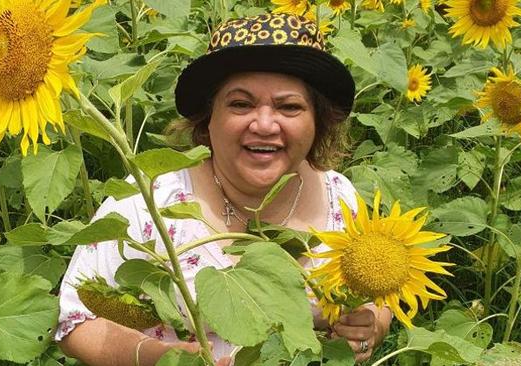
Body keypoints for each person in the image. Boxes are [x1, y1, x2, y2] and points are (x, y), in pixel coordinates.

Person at [56, 12, 392, 366]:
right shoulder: (151, 200)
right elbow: (75, 322)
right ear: (208, 117)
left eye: (289, 106)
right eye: (240, 104)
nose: (264, 124)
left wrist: (371, 326)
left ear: (318, 121)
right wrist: (159, 357)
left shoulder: (340, 197)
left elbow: (378, 293)